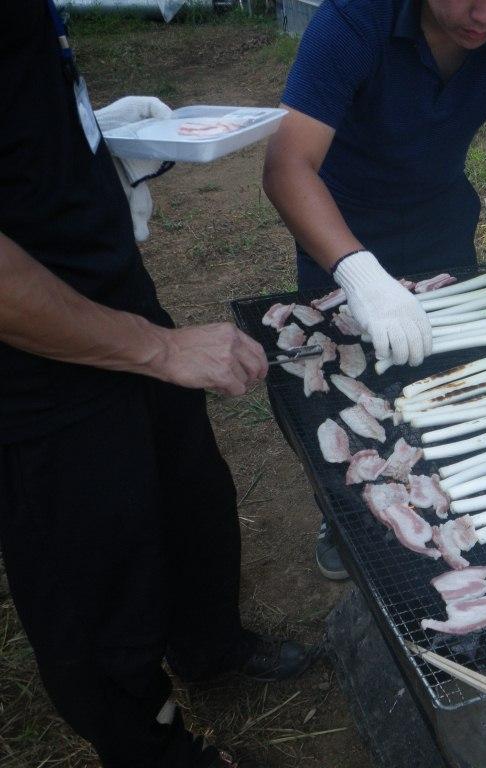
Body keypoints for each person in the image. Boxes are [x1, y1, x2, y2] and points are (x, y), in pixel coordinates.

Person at [0, 3, 316, 766]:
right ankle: (154, 748)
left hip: (108, 282)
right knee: (95, 579)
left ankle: (210, 646)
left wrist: (91, 144)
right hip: (32, 359)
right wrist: (156, 350)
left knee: (191, 496)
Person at [263, 0, 486, 580]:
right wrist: (359, 274)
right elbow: (287, 164)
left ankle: (439, 490)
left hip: (440, 222)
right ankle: (346, 511)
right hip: (339, 228)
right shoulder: (355, 17)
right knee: (339, 386)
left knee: (446, 373)